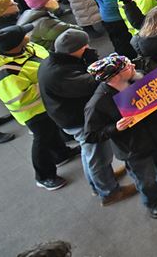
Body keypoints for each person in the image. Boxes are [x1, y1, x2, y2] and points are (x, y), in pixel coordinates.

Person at [84, 54, 157, 218]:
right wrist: (115, 128)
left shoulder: (138, 79)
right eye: (127, 66)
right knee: (145, 178)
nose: (133, 66)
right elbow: (91, 135)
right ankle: (153, 201)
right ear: (115, 76)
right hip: (134, 148)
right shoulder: (98, 103)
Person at [38, 29, 136, 204]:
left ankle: (99, 181)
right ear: (77, 49)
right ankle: (109, 192)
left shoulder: (55, 62)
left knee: (89, 153)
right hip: (79, 120)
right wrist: (103, 64)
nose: (89, 47)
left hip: (71, 116)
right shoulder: (58, 74)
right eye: (86, 45)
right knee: (98, 156)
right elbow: (93, 83)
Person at [0, 26, 79, 190]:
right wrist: (49, 82)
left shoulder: (26, 47)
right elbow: (19, 97)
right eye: (24, 35)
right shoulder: (6, 72)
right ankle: (44, 176)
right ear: (16, 44)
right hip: (32, 112)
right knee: (42, 140)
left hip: (47, 103)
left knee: (52, 130)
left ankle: (61, 154)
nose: (28, 35)